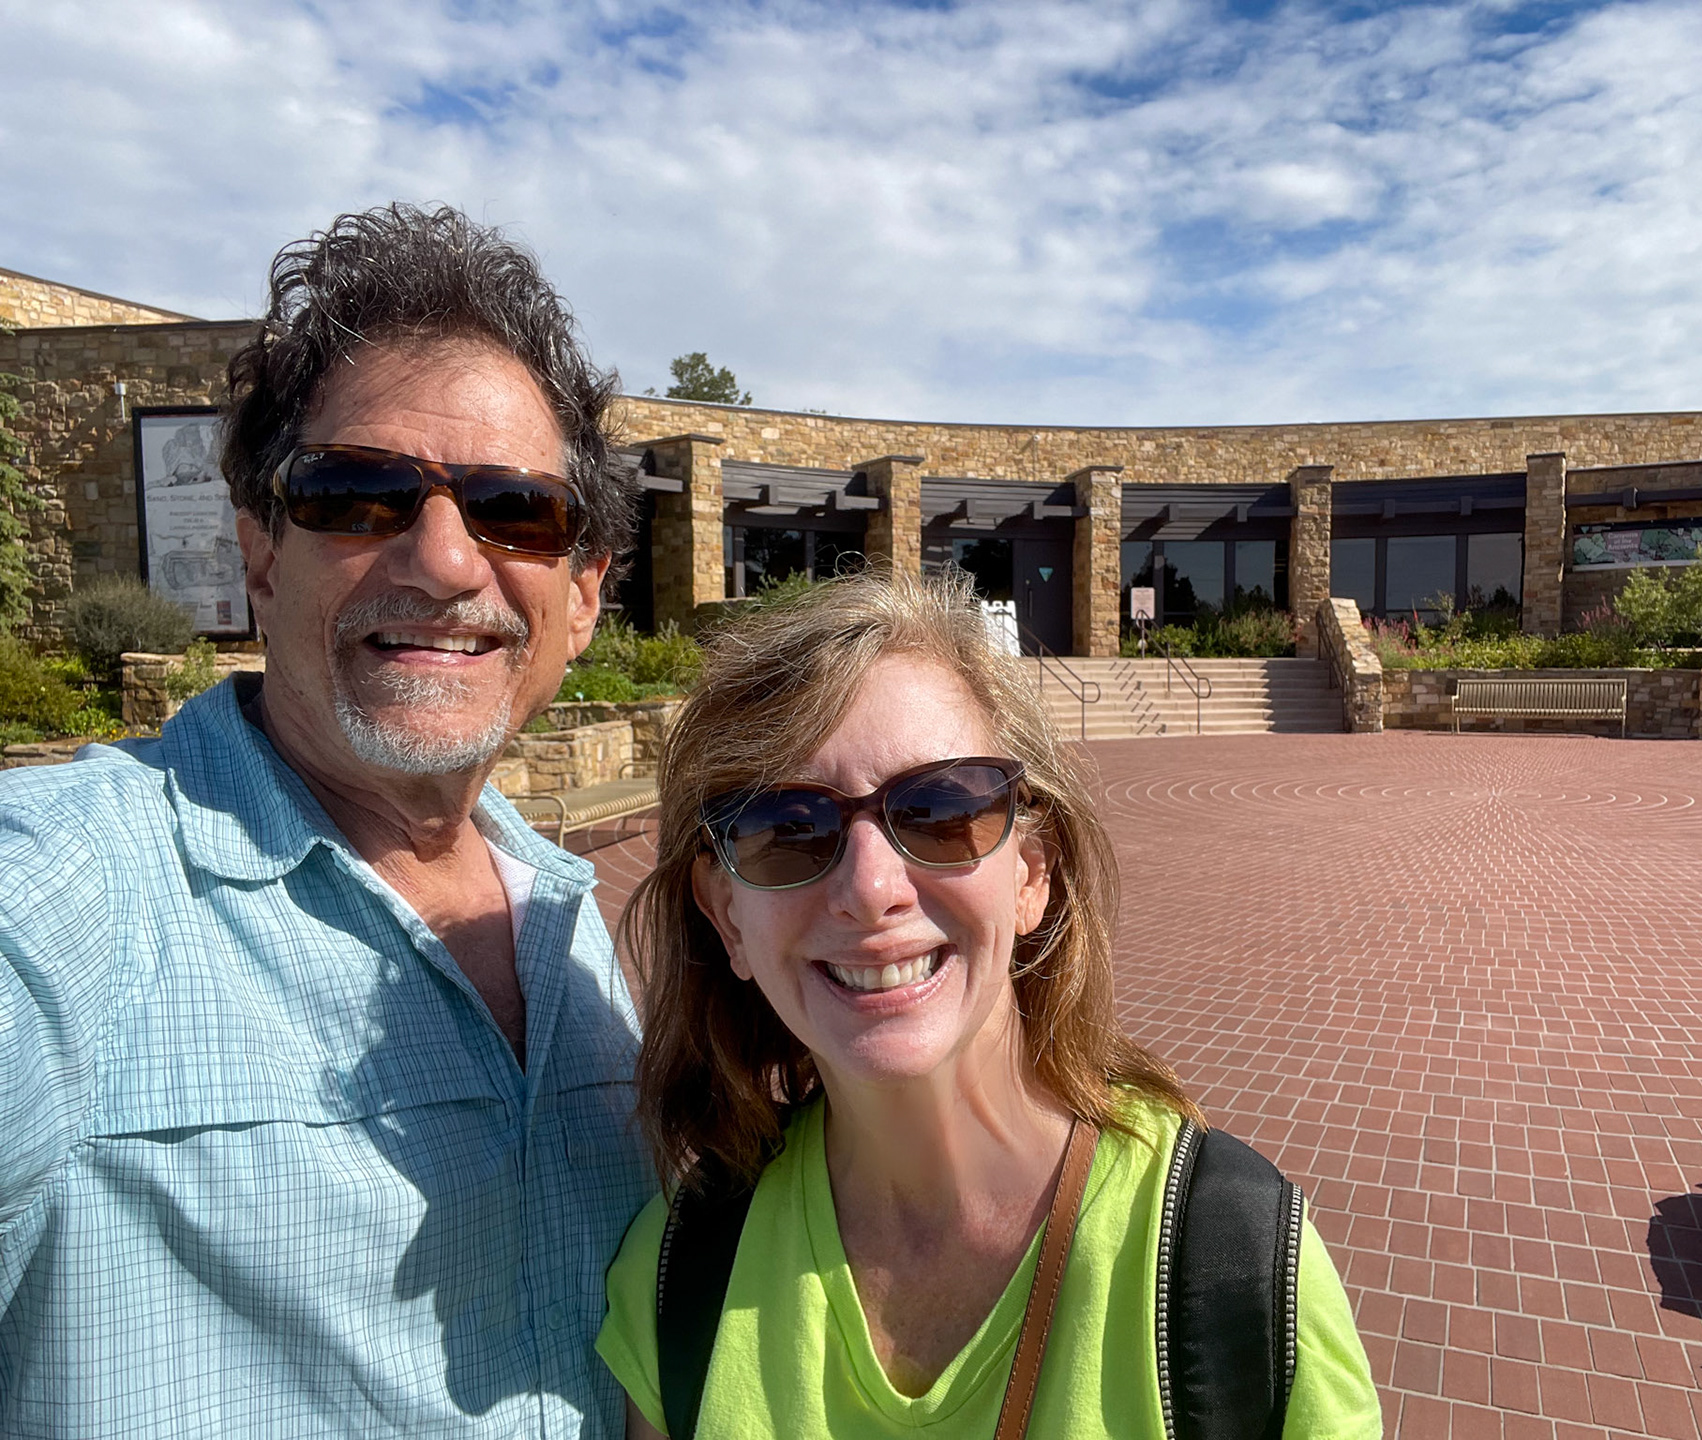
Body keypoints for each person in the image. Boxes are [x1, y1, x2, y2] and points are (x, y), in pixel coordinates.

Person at [0, 205, 654, 1438]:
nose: (447, 560)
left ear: (582, 596)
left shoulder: (575, 931)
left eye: (517, 508)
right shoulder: (67, 893)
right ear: (260, 553)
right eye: (359, 496)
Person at [596, 569, 1380, 1438]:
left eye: (939, 810)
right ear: (726, 916)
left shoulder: (1228, 1267)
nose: (870, 889)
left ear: (1031, 876)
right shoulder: (679, 1273)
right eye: (787, 829)